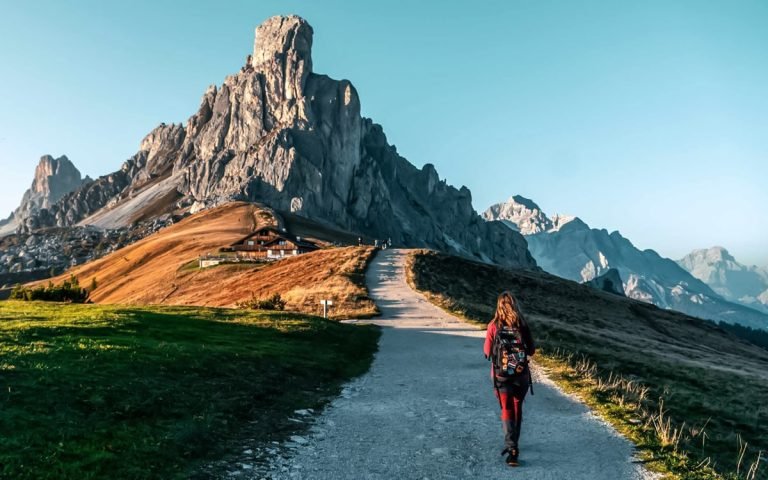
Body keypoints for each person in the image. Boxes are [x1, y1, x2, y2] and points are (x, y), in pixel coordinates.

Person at [483, 291, 535, 467]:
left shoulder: (493, 325)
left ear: (498, 306)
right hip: (521, 374)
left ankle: (512, 448)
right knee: (517, 405)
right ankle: (516, 443)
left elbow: (487, 352)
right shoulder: (522, 324)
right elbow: (532, 350)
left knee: (506, 407)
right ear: (515, 304)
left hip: (501, 376)